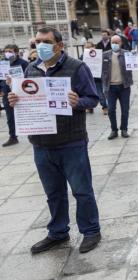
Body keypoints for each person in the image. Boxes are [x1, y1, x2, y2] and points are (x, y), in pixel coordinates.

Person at [7, 27, 101, 254]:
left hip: (71, 142)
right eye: (37, 42)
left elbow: (93, 99)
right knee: (53, 193)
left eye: (46, 41)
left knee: (81, 190)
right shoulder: (31, 69)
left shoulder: (77, 68)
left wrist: (77, 101)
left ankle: (91, 231)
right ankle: (58, 232)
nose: (40, 46)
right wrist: (14, 99)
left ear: (59, 45)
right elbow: (27, 98)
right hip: (41, 143)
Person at [101, 35, 136, 140]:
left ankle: (124, 129)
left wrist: (135, 56)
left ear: (121, 43)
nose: (114, 44)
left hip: (124, 86)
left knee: (125, 109)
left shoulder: (126, 54)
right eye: (113, 42)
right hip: (110, 87)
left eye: (117, 42)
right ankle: (114, 130)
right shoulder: (105, 55)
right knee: (111, 110)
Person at [0, 44, 28, 146]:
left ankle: (33, 133)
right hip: (7, 93)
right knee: (10, 116)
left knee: (26, 114)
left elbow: (28, 77)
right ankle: (13, 137)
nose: (7, 53)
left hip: (21, 93)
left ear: (16, 52)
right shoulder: (2, 63)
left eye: (10, 51)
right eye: (5, 51)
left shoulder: (24, 63)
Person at [81, 41, 107, 115]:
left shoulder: (99, 55)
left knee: (100, 94)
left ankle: (105, 107)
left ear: (94, 47)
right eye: (86, 47)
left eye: (90, 47)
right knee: (88, 94)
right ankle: (90, 108)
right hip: (87, 79)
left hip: (97, 79)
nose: (88, 49)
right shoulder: (82, 56)